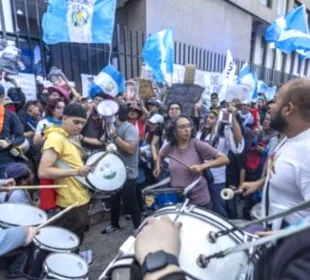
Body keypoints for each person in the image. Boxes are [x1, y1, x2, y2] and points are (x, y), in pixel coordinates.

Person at [241, 78, 310, 230]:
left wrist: (287, 236)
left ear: (288, 109)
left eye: (275, 101)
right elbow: (289, 174)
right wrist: (260, 183)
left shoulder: (307, 153)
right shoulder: (291, 137)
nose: (269, 107)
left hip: (292, 247)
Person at [38, 103, 91, 243]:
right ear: (64, 118)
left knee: (79, 236)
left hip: (80, 196)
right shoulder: (55, 137)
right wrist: (76, 171)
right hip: (70, 200)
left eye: (82, 123)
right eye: (76, 122)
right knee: (72, 241)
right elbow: (43, 171)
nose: (79, 126)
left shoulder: (68, 136)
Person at [155, 115, 229, 209]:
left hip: (199, 200)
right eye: (182, 127)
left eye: (189, 126)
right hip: (178, 198)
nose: (187, 129)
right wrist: (157, 167)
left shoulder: (197, 144)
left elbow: (224, 159)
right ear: (174, 131)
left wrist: (202, 166)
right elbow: (160, 155)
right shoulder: (170, 146)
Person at [102, 105, 141, 234]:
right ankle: (114, 224)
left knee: (130, 201)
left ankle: (138, 228)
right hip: (115, 171)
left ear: (117, 115)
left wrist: (115, 136)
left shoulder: (129, 128)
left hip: (128, 172)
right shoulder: (113, 127)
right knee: (114, 199)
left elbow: (130, 149)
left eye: (111, 114)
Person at [199, 107, 244, 218]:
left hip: (217, 178)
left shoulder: (224, 137)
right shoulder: (200, 134)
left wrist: (233, 117)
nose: (208, 119)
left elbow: (237, 139)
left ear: (218, 120)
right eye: (207, 117)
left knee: (219, 207)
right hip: (202, 177)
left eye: (212, 118)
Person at [0, 91, 25, 177]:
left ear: (2, 97)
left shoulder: (11, 115)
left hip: (4, 159)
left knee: (6, 188)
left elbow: (21, 137)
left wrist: (9, 143)